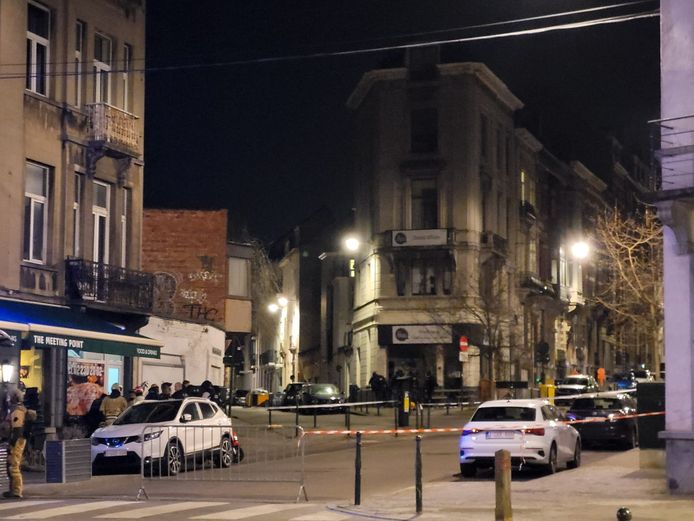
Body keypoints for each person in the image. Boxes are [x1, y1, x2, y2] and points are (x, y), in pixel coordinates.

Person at [4, 388, 37, 499]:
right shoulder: (20, 409)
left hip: (17, 441)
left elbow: (17, 429)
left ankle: (17, 491)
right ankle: (13, 490)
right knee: (11, 465)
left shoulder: (17, 410)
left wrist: (12, 444)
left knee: (13, 465)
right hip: (19, 440)